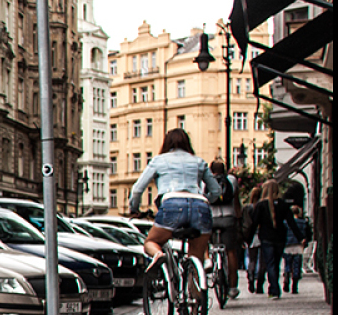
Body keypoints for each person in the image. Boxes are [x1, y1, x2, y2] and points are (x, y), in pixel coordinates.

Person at [128, 129, 221, 273]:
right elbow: (216, 191)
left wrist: (134, 208)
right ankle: (196, 290)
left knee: (151, 242)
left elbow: (137, 189)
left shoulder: (159, 160)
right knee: (196, 261)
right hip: (200, 206)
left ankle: (158, 255)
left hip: (172, 205)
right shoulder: (198, 161)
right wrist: (205, 200)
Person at [245, 179, 303, 300]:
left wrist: (248, 239)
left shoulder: (261, 205)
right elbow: (291, 222)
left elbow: (254, 223)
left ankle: (274, 289)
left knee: (270, 263)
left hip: (266, 237)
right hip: (280, 237)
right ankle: (274, 287)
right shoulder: (283, 204)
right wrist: (300, 237)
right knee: (276, 263)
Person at [208, 160, 241, 298]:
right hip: (228, 217)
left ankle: (210, 264)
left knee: (207, 246)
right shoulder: (231, 180)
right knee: (231, 251)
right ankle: (233, 288)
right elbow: (236, 200)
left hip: (211, 219)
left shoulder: (206, 181)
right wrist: (238, 218)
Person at [282, 205, 311, 295]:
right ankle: (295, 284)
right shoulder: (303, 222)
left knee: (288, 263)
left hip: (287, 245)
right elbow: (308, 234)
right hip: (298, 245)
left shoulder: (285, 223)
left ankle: (287, 275)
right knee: (297, 265)